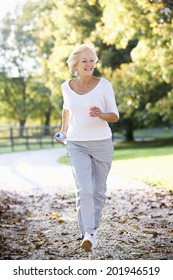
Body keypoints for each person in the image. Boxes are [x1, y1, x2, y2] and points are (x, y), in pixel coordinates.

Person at [55, 44, 119, 252]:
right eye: (85, 60)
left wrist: (101, 114)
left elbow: (115, 116)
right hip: (76, 143)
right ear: (75, 64)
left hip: (101, 142)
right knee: (84, 189)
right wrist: (63, 131)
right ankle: (88, 233)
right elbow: (67, 110)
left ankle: (93, 229)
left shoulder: (104, 85)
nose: (89, 64)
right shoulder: (66, 86)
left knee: (98, 191)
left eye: (92, 60)